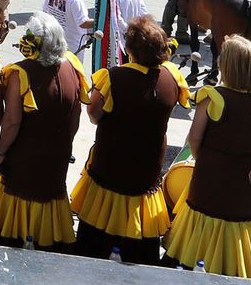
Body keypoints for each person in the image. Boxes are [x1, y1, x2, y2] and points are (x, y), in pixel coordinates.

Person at [164, 35, 251, 279]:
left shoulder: (213, 96)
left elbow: (195, 139)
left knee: (197, 244)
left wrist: (208, 162)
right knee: (240, 242)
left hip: (215, 175)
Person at [71, 16, 190, 263]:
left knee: (93, 249)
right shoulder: (172, 78)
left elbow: (94, 115)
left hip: (110, 170)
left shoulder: (113, 77)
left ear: (129, 49)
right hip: (145, 173)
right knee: (141, 255)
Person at [0, 13, 89, 250]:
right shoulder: (73, 66)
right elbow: (76, 116)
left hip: (25, 159)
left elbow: (12, 121)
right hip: (57, 156)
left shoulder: (20, 73)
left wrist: (1, 152)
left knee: (13, 237)